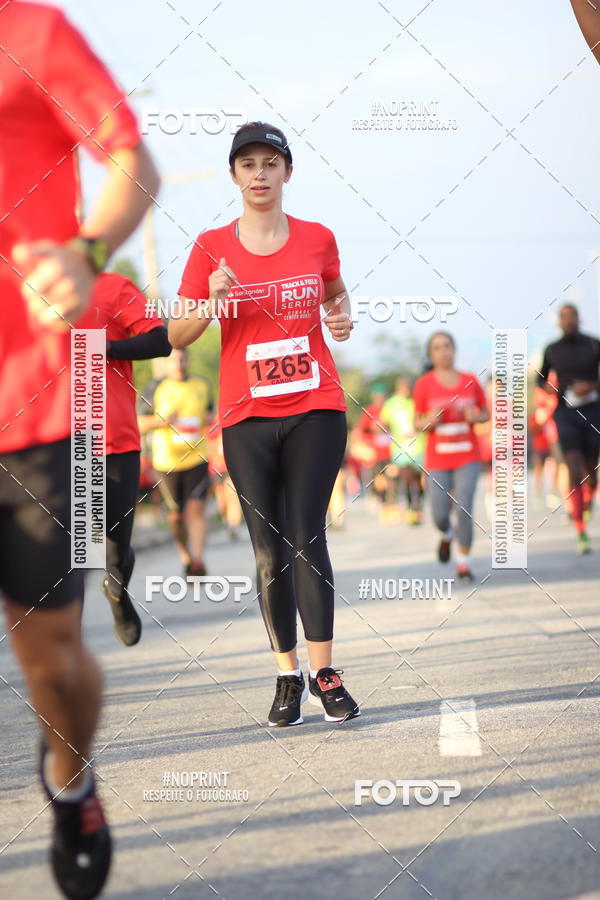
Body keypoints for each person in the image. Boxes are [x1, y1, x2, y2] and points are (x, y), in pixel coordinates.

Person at [0, 4, 159, 898]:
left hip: (31, 399)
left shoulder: (31, 29)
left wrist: (87, 247)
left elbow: (131, 157)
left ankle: (71, 779)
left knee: (49, 656)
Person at [169, 121, 360, 727]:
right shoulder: (209, 247)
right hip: (246, 415)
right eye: (247, 164)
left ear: (286, 173)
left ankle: (325, 672)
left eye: (269, 163)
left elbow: (335, 292)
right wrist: (209, 303)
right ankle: (286, 676)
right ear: (234, 175)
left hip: (315, 405)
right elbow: (176, 333)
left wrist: (341, 319)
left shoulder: (317, 237)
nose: (259, 173)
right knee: (267, 548)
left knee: (307, 535)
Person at [82, 273, 170, 645]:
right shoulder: (21, 290)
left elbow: (160, 341)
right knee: (72, 550)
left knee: (116, 550)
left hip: (114, 439)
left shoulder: (112, 286)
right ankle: (64, 648)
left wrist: (102, 347)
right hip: (57, 444)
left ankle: (117, 593)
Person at [413, 332, 489, 581]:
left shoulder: (469, 380)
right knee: (440, 515)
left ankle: (464, 564)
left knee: (464, 508)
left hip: (468, 454)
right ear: (431, 354)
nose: (443, 351)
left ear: (454, 350)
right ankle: (446, 534)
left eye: (447, 346)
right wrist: (429, 421)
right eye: (437, 348)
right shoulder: (424, 384)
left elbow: (485, 413)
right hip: (438, 458)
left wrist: (475, 417)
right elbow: (416, 422)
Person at [138, 348, 212, 575]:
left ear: (188, 360)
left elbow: (209, 413)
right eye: (173, 360)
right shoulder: (155, 388)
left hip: (197, 457)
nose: (178, 364)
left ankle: (198, 562)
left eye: (182, 359)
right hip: (166, 462)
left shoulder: (202, 385)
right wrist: (160, 422)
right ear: (166, 364)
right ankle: (186, 555)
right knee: (176, 515)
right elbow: (139, 423)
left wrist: (209, 419)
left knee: (196, 508)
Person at [538, 303, 600, 553]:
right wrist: (552, 390)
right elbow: (540, 379)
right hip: (565, 414)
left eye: (572, 316)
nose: (568, 321)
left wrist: (592, 387)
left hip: (593, 411)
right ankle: (580, 529)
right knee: (573, 469)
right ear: (559, 322)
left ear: (578, 318)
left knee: (590, 471)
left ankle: (589, 495)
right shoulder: (552, 349)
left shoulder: (593, 345)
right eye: (564, 317)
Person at [380, 376, 425, 525]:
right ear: (398, 388)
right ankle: (411, 509)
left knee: (418, 480)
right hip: (399, 447)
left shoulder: (416, 402)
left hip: (417, 446)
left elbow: (424, 419)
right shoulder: (390, 404)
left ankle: (419, 506)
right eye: (404, 387)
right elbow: (383, 422)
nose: (407, 390)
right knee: (406, 478)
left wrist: (418, 427)